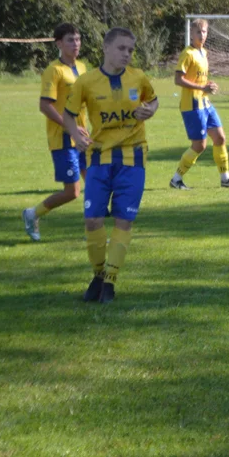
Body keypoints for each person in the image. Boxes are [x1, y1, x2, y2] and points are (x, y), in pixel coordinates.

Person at [62, 27, 158, 303]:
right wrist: (74, 132)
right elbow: (68, 115)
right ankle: (98, 274)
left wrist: (150, 110)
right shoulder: (87, 82)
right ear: (105, 48)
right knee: (92, 220)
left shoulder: (138, 77)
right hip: (99, 157)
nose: (127, 54)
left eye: (130, 50)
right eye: (121, 48)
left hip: (133, 157)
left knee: (123, 221)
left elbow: (153, 100)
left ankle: (110, 284)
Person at [22, 23, 89, 241]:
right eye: (70, 40)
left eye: (78, 39)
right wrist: (70, 126)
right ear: (59, 43)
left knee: (97, 182)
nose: (76, 44)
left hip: (83, 137)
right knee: (72, 192)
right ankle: (33, 214)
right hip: (63, 139)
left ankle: (97, 233)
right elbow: (45, 105)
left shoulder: (82, 67)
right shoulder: (54, 70)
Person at [169, 18, 229, 189]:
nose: (201, 35)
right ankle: (176, 179)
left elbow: (199, 78)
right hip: (192, 106)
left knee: (220, 138)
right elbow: (178, 79)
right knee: (199, 145)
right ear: (192, 34)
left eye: (204, 32)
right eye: (198, 32)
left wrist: (209, 86)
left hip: (205, 103)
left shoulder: (204, 53)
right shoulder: (188, 54)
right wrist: (202, 86)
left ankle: (225, 179)